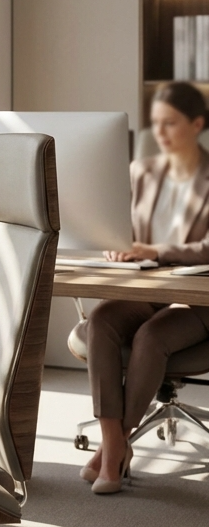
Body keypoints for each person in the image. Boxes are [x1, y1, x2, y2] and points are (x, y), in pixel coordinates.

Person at [80, 81, 209, 494]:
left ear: (197, 124)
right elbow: (121, 229)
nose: (161, 133)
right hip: (147, 285)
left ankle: (113, 449)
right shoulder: (143, 171)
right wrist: (115, 245)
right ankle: (113, 441)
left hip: (200, 296)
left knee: (151, 337)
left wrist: (155, 249)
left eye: (170, 123)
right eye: (156, 124)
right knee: (101, 320)